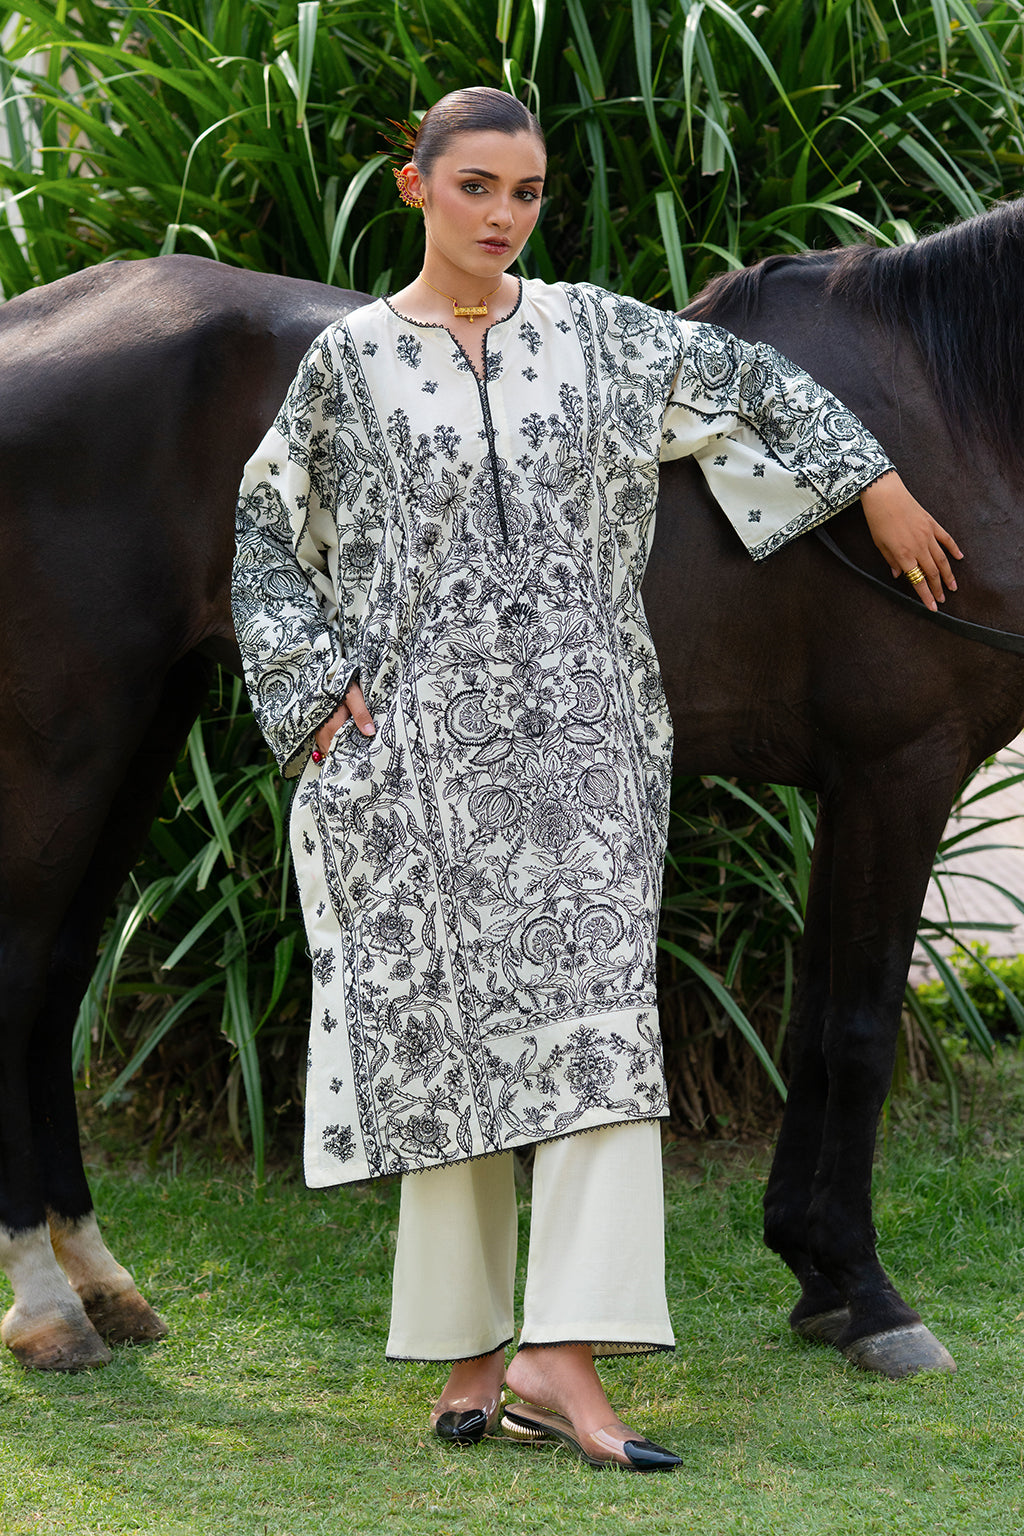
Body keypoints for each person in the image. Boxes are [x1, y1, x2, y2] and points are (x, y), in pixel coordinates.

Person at [231, 87, 961, 1472]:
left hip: (586, 748)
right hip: (420, 764)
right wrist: (317, 696)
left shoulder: (593, 337)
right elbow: (268, 539)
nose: (504, 216)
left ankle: (563, 1355)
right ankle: (465, 1359)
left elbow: (760, 385)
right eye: (477, 188)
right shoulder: (350, 364)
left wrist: (872, 485)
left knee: (594, 1045)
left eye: (526, 193)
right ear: (416, 188)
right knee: (450, 1049)